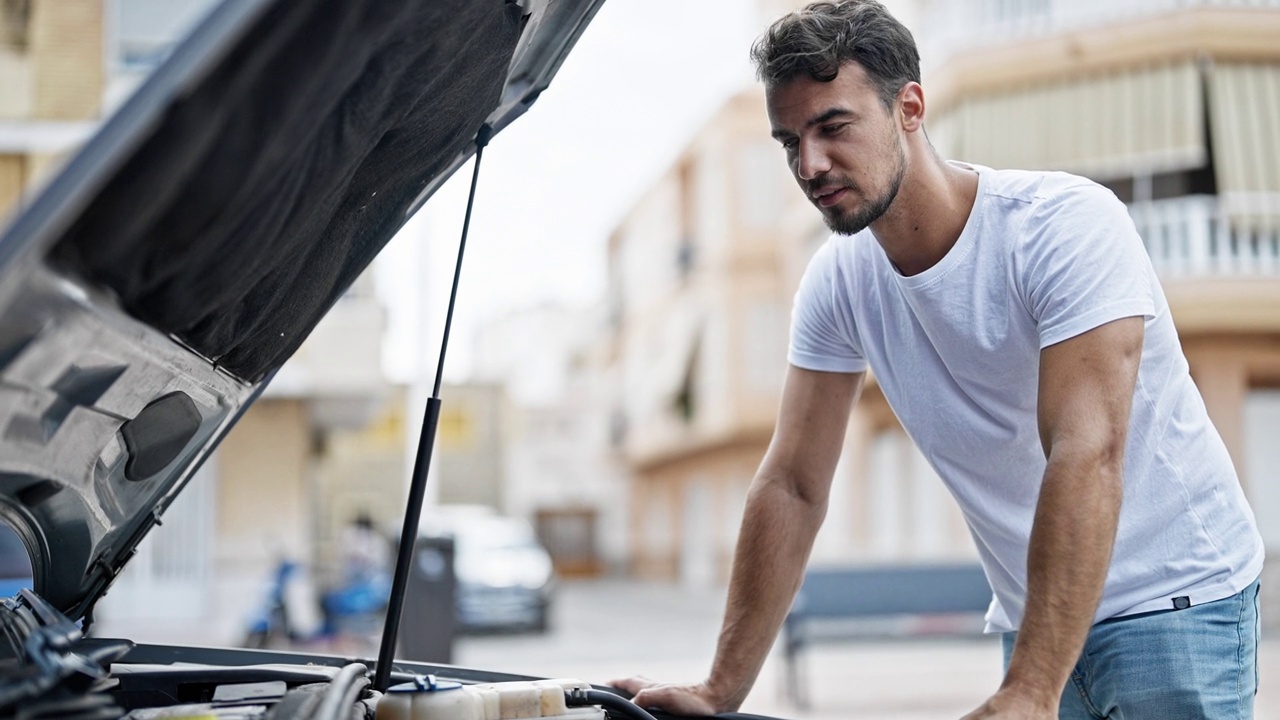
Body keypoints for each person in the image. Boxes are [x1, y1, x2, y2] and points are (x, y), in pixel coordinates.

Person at [610, 2, 1265, 718]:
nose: (810, 164)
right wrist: (719, 689)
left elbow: (1086, 451)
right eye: (789, 139)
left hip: (1173, 600)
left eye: (833, 126)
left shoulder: (1063, 226)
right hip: (1035, 621)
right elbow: (793, 483)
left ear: (909, 107)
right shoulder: (838, 280)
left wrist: (1030, 689)